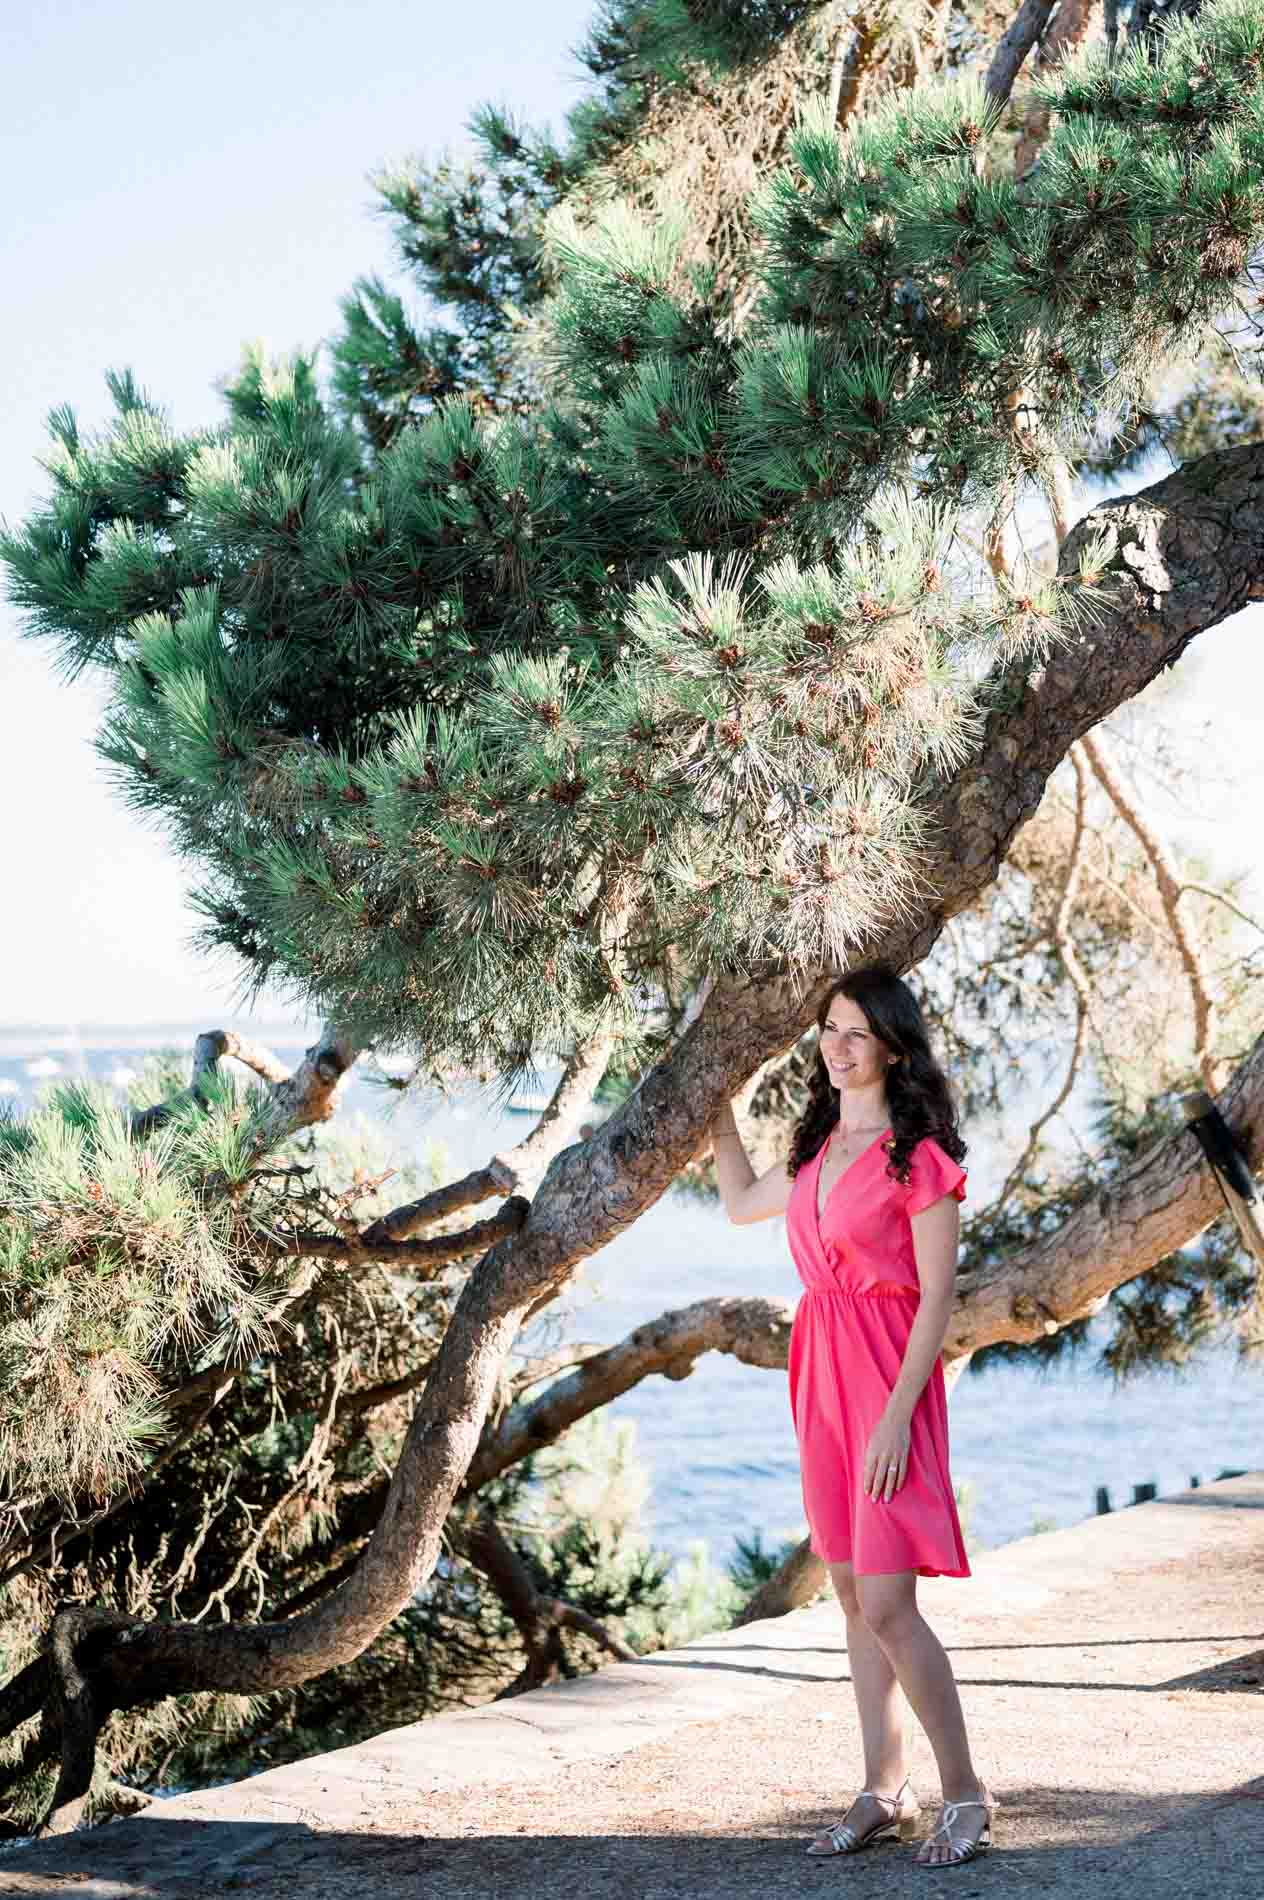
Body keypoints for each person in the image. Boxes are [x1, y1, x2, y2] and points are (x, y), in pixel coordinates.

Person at [708, 962, 999, 1868]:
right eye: (828, 1030)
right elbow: (735, 1203)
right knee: (847, 1594)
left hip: (888, 1381)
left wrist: (894, 1419)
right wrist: (712, 1102)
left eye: (856, 1032)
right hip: (820, 1373)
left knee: (888, 1602)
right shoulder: (818, 1149)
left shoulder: (923, 1162)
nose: (837, 1047)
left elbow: (937, 1304)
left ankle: (967, 1797)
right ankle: (882, 1787)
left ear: (891, 1046)